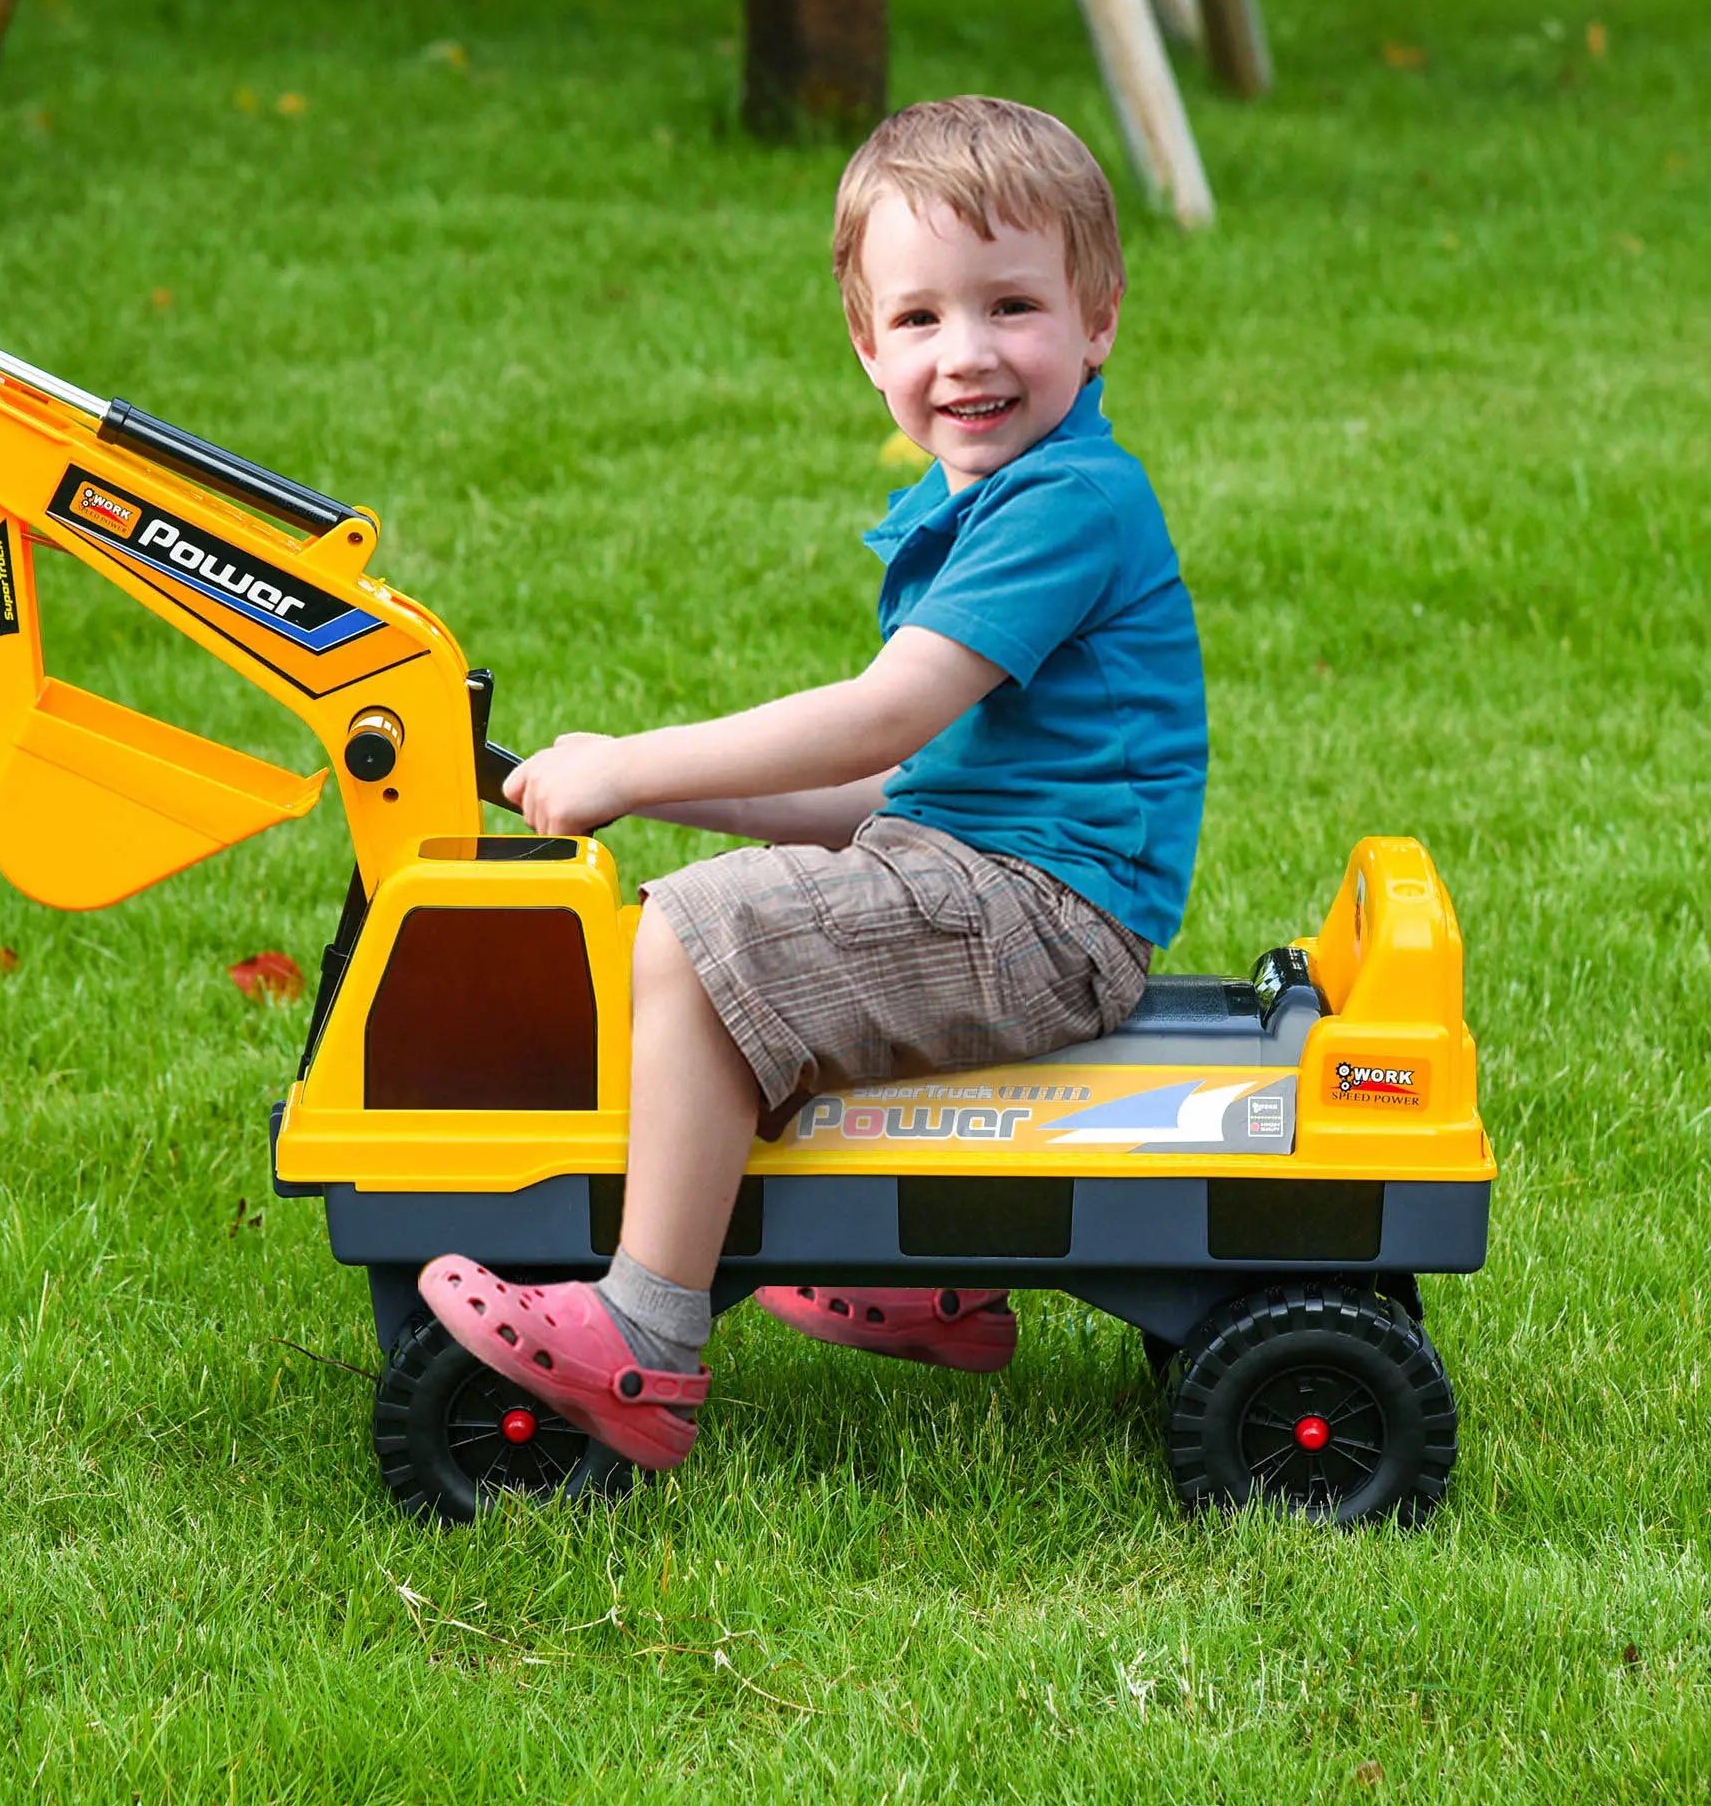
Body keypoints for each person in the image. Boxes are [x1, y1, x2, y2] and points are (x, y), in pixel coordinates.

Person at [420, 96, 1207, 1471]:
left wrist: (634, 764)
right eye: (919, 321)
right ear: (866, 344)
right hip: (999, 883)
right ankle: (918, 1281)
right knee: (748, 908)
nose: (967, 356)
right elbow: (903, 788)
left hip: (1047, 918)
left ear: (1099, 321)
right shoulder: (993, 497)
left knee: (705, 934)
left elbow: (875, 722)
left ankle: (644, 1341)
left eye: (1012, 306)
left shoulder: (1066, 502)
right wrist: (645, 790)